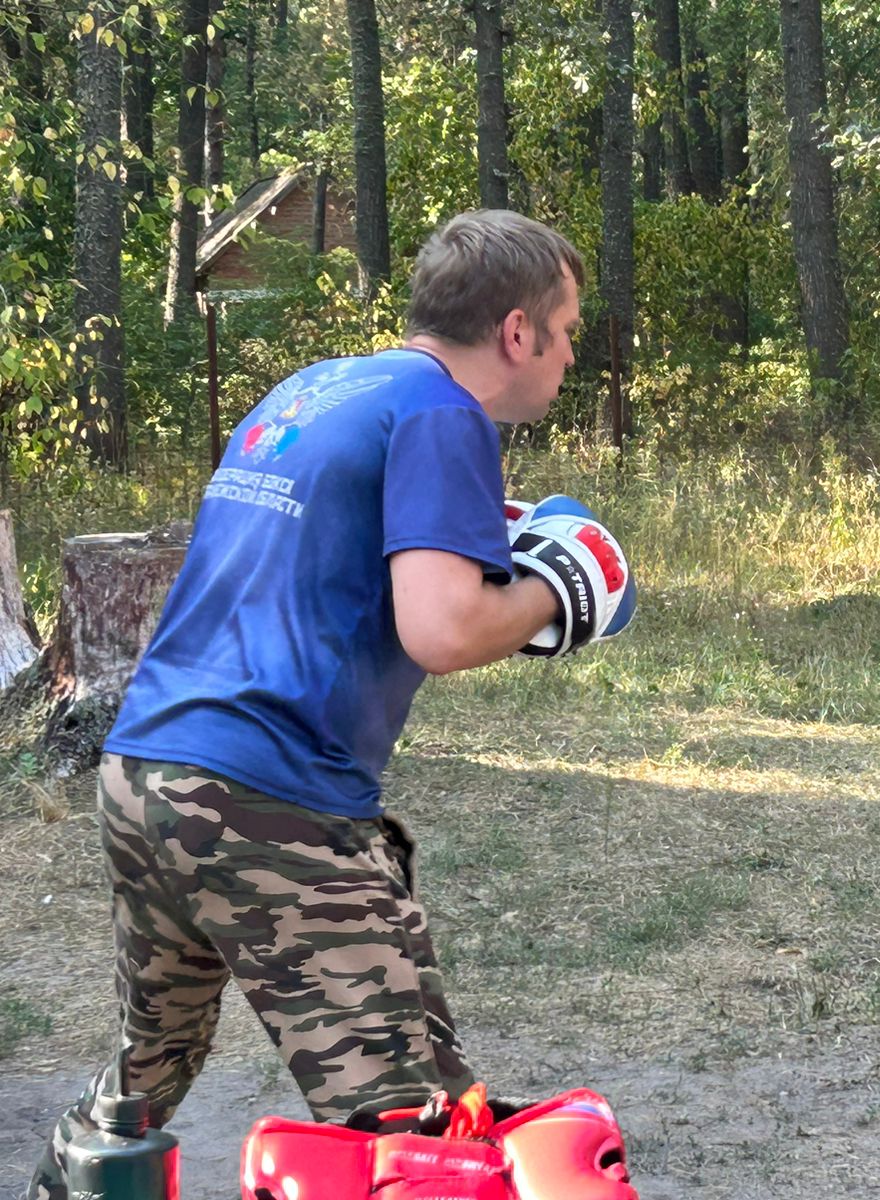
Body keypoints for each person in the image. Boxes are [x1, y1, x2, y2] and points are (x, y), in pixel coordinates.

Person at [31, 210, 629, 1199]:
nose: (569, 354)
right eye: (565, 330)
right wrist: (562, 586)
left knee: (154, 1064)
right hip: (264, 794)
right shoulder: (444, 413)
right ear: (515, 332)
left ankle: (81, 1169)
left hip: (144, 769)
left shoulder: (310, 392)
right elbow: (441, 629)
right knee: (407, 1128)